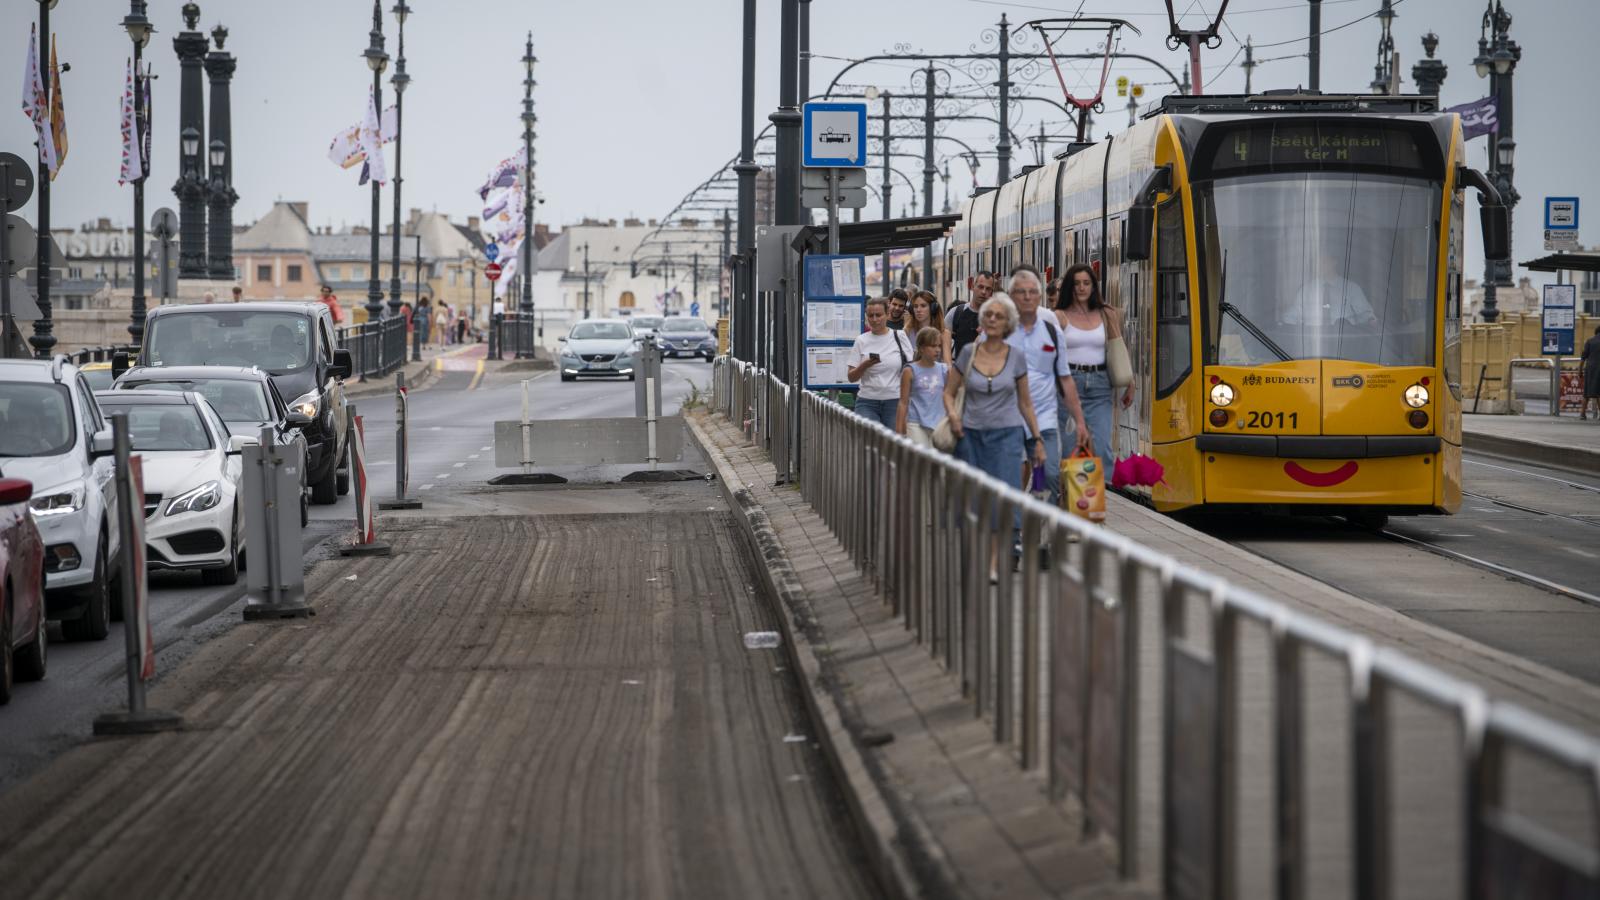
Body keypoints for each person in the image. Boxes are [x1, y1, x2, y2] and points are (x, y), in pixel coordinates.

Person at [943, 292, 1047, 491]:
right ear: (982, 319)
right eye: (988, 314)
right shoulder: (967, 353)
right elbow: (949, 393)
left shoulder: (1016, 357)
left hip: (1007, 435)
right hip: (970, 434)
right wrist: (954, 416)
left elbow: (1025, 403)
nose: (992, 319)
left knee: (1007, 496)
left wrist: (1037, 439)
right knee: (972, 498)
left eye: (998, 316)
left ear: (1008, 323)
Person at [1007, 265, 1090, 505]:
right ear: (1012, 296)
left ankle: (1040, 531)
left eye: (1033, 292)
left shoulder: (1052, 330)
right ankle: (1013, 523)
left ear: (1040, 296)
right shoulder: (1000, 329)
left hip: (1044, 420)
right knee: (1017, 474)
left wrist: (1080, 422)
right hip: (1009, 420)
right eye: (1021, 292)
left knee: (1049, 474)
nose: (1027, 297)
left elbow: (1064, 378)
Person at [1055, 264, 1130, 466]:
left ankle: (1096, 495)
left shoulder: (1106, 314)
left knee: (1102, 447)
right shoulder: (1059, 316)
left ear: (1093, 287)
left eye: (1086, 283)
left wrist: (1129, 382)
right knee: (1071, 449)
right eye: (1077, 283)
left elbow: (1118, 348)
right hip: (1069, 383)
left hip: (1100, 384)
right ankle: (1069, 494)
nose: (1081, 288)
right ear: (1070, 287)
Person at [847, 297, 914, 429]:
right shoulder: (861, 340)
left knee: (893, 445)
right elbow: (851, 377)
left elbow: (911, 368)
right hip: (867, 401)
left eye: (879, 315)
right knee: (869, 443)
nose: (875, 319)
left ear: (887, 314)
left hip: (894, 400)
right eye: (871, 315)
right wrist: (865, 365)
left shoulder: (899, 336)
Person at [1288, 252, 1377, 327]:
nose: (1319, 265)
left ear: (1334, 261)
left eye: (1323, 261)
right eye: (1316, 261)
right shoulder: (1305, 290)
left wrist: (1371, 320)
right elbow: (1292, 316)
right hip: (1312, 342)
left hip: (1346, 343)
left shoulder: (1351, 288)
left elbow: (1366, 314)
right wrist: (1285, 322)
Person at [895, 327, 948, 447]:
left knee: (937, 463)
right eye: (933, 346)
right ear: (922, 348)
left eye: (939, 346)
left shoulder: (944, 370)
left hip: (939, 423)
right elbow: (903, 402)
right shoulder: (910, 370)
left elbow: (948, 397)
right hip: (915, 423)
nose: (937, 350)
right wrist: (898, 432)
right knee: (919, 462)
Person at [946, 270, 992, 362]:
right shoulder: (956, 313)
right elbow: (942, 342)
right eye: (980, 287)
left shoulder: (996, 317)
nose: (983, 292)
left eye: (988, 289)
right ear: (972, 286)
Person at [907, 290, 952, 363]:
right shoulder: (907, 332)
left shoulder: (944, 334)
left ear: (933, 308)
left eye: (923, 306)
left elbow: (947, 363)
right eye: (915, 306)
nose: (918, 310)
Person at [1582, 324, 1600, 420]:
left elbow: (1583, 357)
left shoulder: (1590, 341)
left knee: (1587, 392)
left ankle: (1582, 414)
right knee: (1598, 392)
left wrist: (1579, 370)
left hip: (1590, 368)